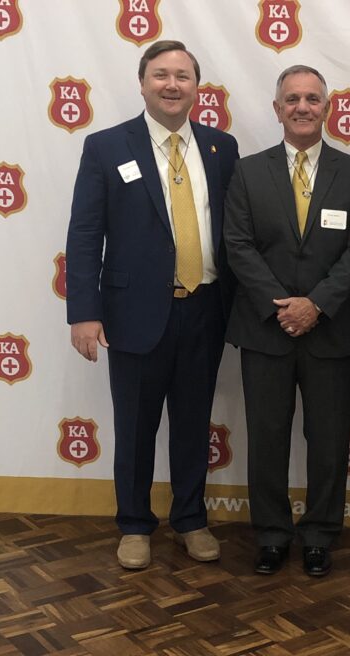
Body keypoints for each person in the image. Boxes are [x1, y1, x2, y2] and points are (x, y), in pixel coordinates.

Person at [65, 40, 239, 569]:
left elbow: (234, 232)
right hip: (133, 313)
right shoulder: (106, 146)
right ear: (142, 83)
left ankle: (190, 520)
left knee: (193, 422)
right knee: (136, 426)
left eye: (183, 76)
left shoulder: (221, 147)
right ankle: (135, 525)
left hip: (205, 308)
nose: (172, 84)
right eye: (161, 74)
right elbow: (85, 233)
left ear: (196, 87)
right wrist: (84, 312)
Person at [224, 65, 350, 577]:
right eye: (292, 99)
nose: (303, 107)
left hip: (333, 328)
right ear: (277, 109)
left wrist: (316, 304)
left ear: (328, 109)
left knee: (329, 439)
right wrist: (281, 304)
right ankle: (270, 534)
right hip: (265, 329)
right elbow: (238, 245)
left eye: (313, 98)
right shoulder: (247, 171)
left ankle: (319, 534)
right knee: (265, 436)